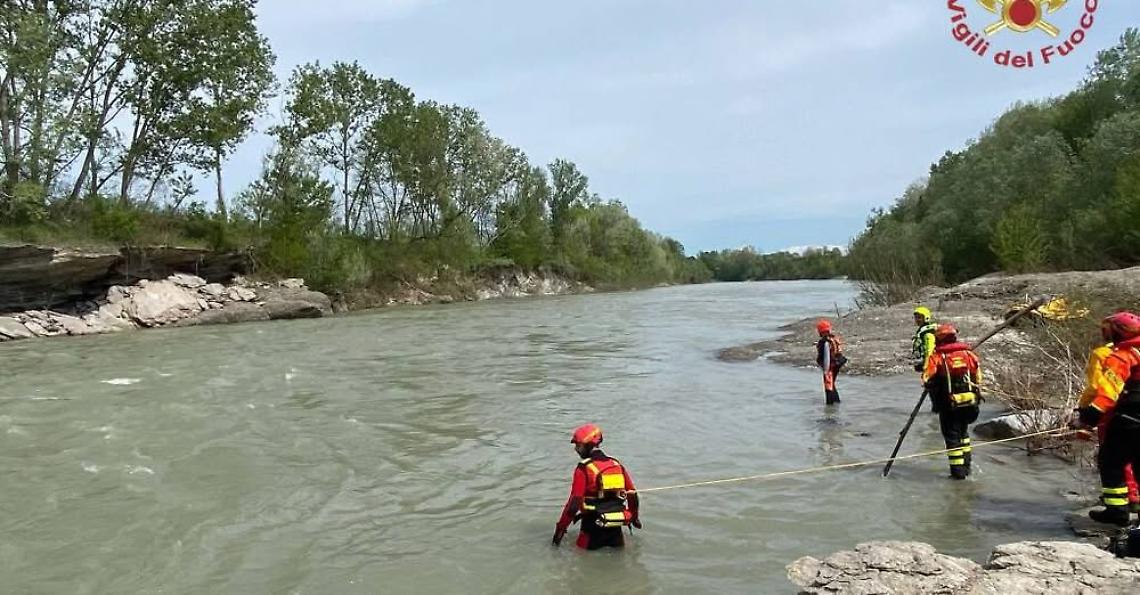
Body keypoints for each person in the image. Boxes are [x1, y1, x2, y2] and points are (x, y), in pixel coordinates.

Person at [1076, 312, 1140, 526]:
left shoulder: (1121, 356)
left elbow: (1107, 393)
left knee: (1111, 462)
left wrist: (1087, 417)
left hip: (1130, 419)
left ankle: (1116, 511)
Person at [553, 424, 641, 549]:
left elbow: (574, 504)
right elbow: (632, 494)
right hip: (616, 531)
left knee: (583, 564)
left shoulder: (583, 468)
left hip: (590, 531)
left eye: (578, 446)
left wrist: (560, 530)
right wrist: (634, 517)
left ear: (588, 446)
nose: (576, 450)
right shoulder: (616, 464)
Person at [922, 324, 981, 480]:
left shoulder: (937, 357)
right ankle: (967, 468)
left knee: (952, 438)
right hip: (970, 403)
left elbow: (926, 378)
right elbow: (978, 378)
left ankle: (957, 474)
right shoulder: (969, 354)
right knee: (964, 434)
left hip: (949, 405)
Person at [816, 320, 846, 405]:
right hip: (838, 363)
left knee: (828, 385)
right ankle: (836, 402)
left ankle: (830, 405)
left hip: (830, 365)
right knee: (832, 383)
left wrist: (826, 369)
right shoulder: (833, 338)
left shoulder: (824, 342)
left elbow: (825, 357)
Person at [912, 306, 938, 373]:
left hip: (932, 362)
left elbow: (929, 351)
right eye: (916, 318)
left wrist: (927, 367)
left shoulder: (927, 333)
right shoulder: (922, 331)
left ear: (926, 318)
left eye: (920, 317)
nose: (917, 320)